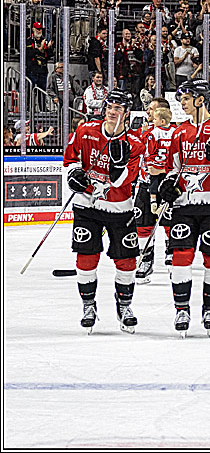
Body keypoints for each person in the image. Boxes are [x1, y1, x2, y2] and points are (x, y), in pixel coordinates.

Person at [156, 79, 210, 336]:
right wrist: (168, 185)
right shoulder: (180, 131)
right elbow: (175, 168)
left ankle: (209, 309)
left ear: (201, 99)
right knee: (180, 256)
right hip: (185, 204)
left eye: (187, 97)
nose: (182, 102)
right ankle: (182, 308)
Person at [63, 89, 143, 333]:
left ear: (126, 114)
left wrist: (117, 169)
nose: (112, 111)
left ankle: (125, 306)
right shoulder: (85, 131)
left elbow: (123, 179)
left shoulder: (135, 144)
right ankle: (88, 306)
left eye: (118, 108)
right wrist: (74, 173)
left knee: (127, 261)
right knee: (86, 258)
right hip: (87, 206)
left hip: (120, 207)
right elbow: (70, 159)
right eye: (109, 106)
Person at [134, 98, 174, 283]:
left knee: (170, 222)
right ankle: (145, 260)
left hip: (168, 185)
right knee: (142, 223)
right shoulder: (144, 132)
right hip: (145, 183)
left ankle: (172, 254)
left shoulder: (171, 133)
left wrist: (162, 170)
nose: (148, 112)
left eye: (152, 110)